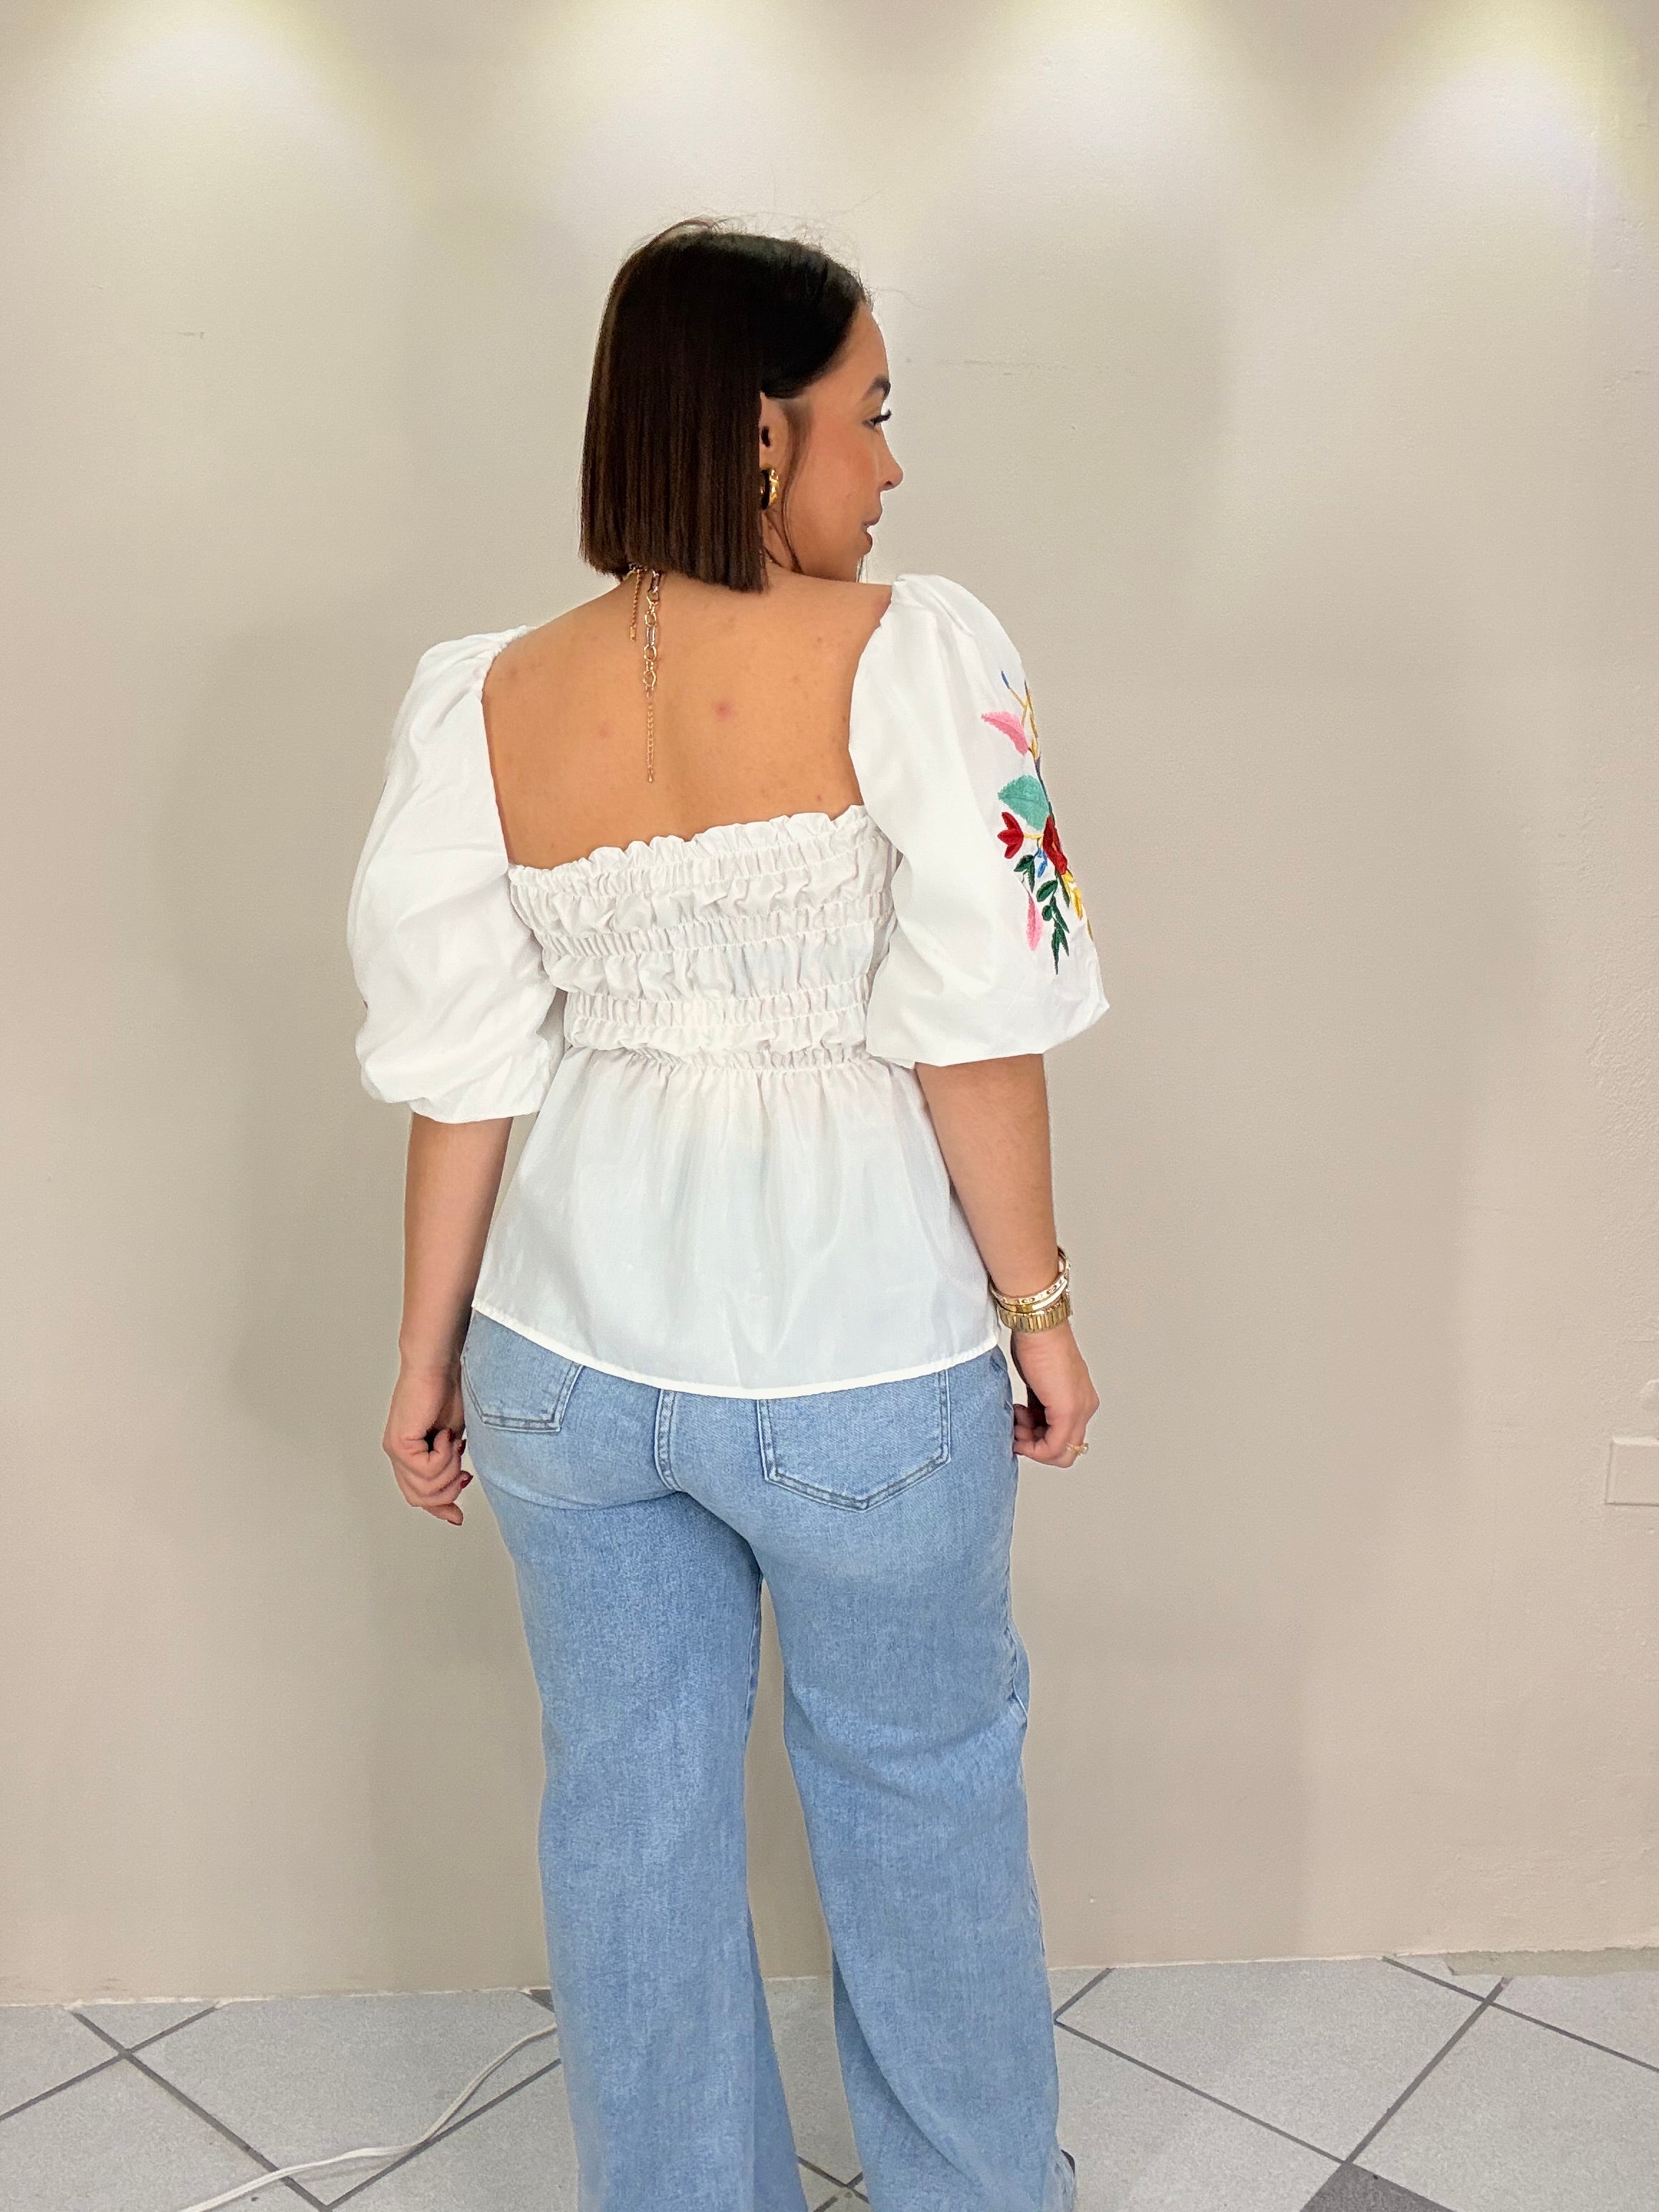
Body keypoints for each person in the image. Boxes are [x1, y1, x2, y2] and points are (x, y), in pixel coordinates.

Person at [346, 217, 1107, 2212]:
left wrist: (426, 1360)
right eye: (873, 413)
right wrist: (1037, 1308)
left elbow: (464, 1069)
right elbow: (979, 1030)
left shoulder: (492, 695)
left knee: (630, 1817)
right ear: (764, 433)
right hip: (860, 1347)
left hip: (561, 1368)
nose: (893, 465)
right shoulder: (914, 650)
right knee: (920, 1792)